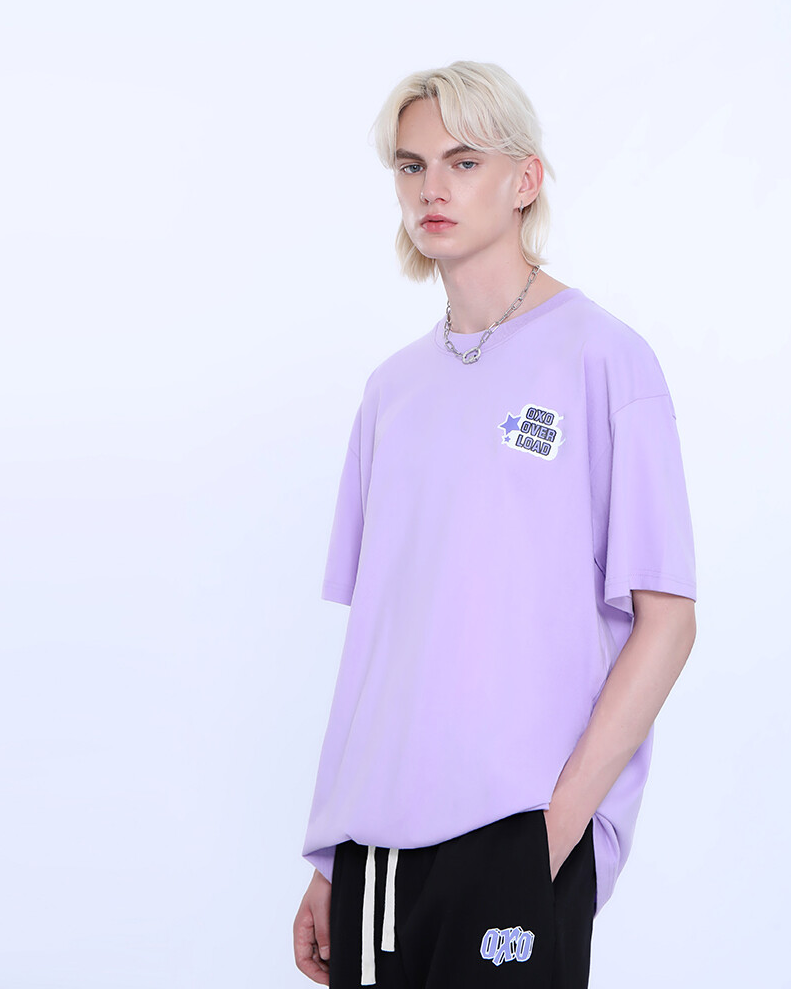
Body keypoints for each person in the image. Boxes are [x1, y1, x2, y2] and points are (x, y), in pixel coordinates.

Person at [292, 60, 697, 988]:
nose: (431, 188)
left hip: (516, 837)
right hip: (374, 859)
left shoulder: (605, 360)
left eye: (463, 161)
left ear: (525, 180)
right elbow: (380, 644)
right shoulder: (392, 391)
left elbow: (667, 622)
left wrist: (555, 831)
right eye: (411, 166)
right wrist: (329, 856)